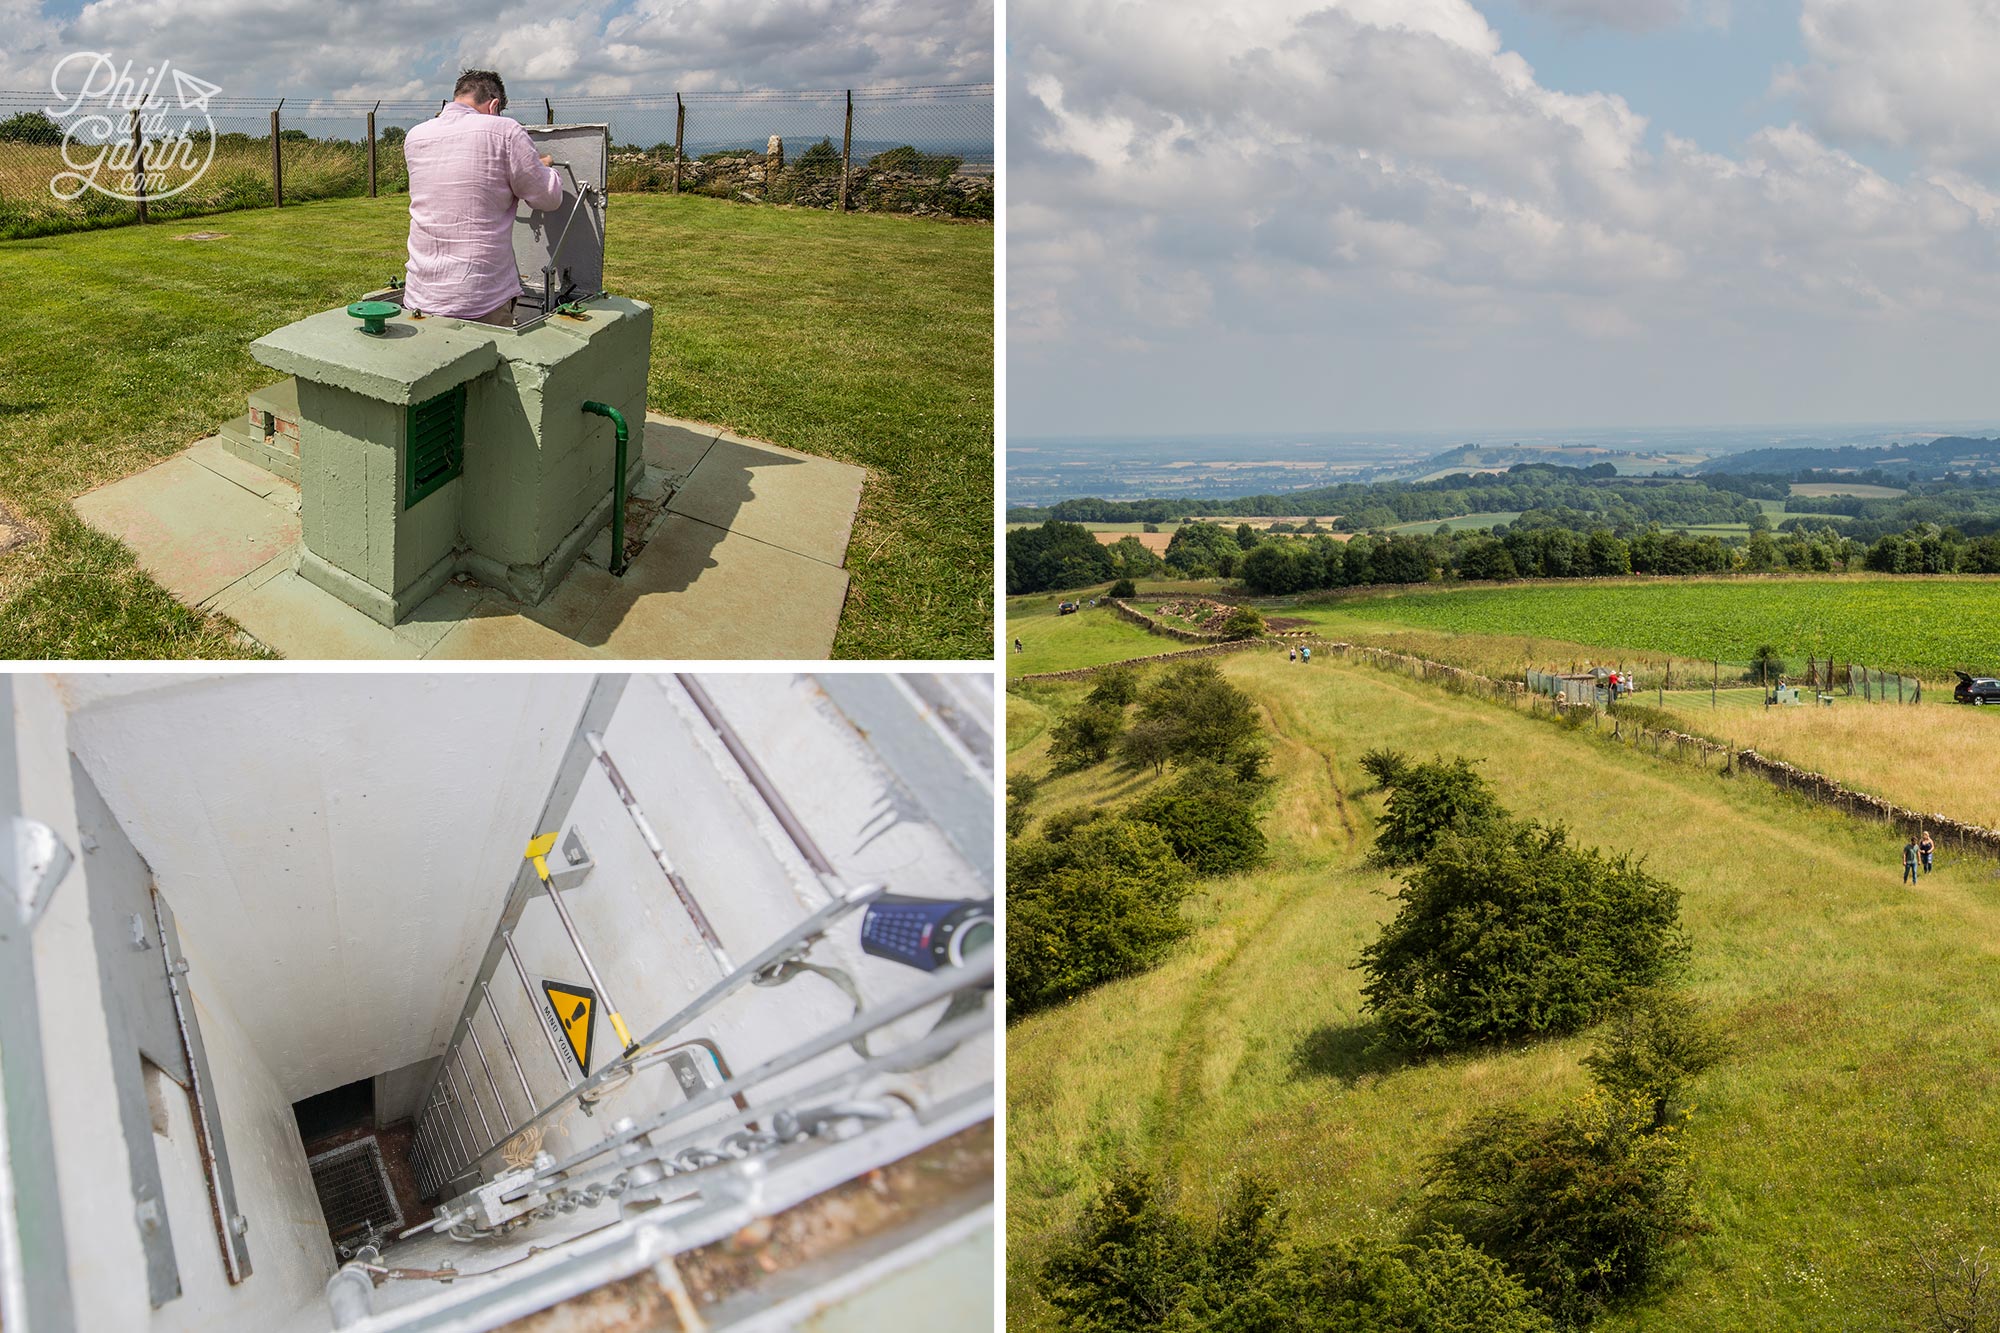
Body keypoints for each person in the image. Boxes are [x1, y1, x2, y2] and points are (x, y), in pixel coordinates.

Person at [401, 70, 565, 326]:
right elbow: (547, 198)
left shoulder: (415, 136)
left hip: (421, 294)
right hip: (480, 298)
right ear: (495, 105)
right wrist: (545, 169)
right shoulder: (505, 130)